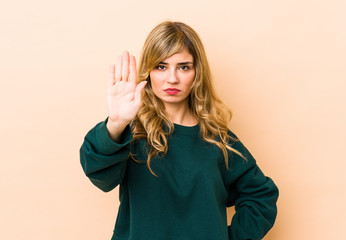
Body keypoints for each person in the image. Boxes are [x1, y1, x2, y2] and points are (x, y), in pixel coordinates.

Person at [80, 21, 279, 240]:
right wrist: (116, 123)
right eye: (161, 66)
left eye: (183, 67)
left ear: (197, 72)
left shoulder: (217, 140)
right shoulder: (132, 132)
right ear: (149, 72)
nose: (172, 78)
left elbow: (262, 197)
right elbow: (99, 175)